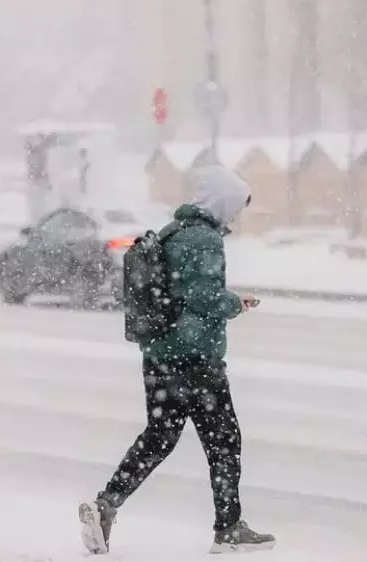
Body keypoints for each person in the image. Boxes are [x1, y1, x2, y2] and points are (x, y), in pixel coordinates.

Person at [79, 165, 275, 555]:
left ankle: (107, 504)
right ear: (221, 203)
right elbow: (203, 298)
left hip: (160, 356)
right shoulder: (205, 240)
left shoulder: (174, 232)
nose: (235, 216)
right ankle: (229, 528)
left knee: (160, 437)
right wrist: (236, 302)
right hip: (195, 357)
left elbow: (180, 292)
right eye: (234, 207)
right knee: (224, 441)